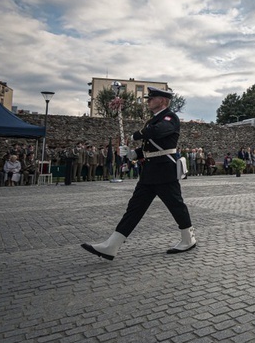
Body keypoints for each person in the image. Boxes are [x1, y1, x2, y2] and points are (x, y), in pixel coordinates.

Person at [81, 87, 196, 260]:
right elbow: (150, 148)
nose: (148, 100)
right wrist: (132, 154)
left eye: (152, 98)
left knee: (176, 205)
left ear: (163, 101)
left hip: (165, 171)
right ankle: (111, 245)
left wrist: (136, 135)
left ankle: (188, 239)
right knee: (134, 208)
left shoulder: (170, 118)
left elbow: (159, 132)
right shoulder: (151, 121)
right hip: (150, 172)